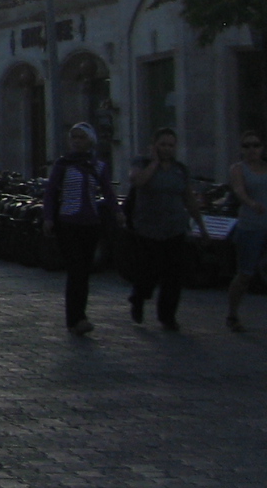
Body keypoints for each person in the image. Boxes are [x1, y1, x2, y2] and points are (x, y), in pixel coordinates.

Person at [126, 126, 204, 331]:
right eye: (163, 144)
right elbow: (137, 182)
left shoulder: (180, 170)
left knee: (173, 275)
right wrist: (154, 162)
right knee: (148, 272)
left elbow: (189, 199)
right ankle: (138, 298)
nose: (167, 149)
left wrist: (201, 226)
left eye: (171, 145)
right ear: (154, 146)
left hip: (175, 228)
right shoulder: (141, 164)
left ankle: (167, 316)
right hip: (148, 229)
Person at [43, 122, 116, 335]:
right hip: (68, 223)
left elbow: (108, 191)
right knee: (75, 269)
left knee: (84, 271)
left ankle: (80, 316)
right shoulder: (63, 164)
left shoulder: (98, 166)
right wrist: (48, 217)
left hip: (90, 223)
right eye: (73, 137)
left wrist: (118, 212)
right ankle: (75, 318)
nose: (76, 141)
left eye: (81, 137)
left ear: (90, 141)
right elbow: (51, 192)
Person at [227, 132, 267, 332]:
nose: (252, 149)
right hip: (250, 227)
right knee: (245, 275)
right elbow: (239, 190)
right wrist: (251, 203)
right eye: (247, 146)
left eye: (256, 145)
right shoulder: (238, 168)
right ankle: (232, 314)